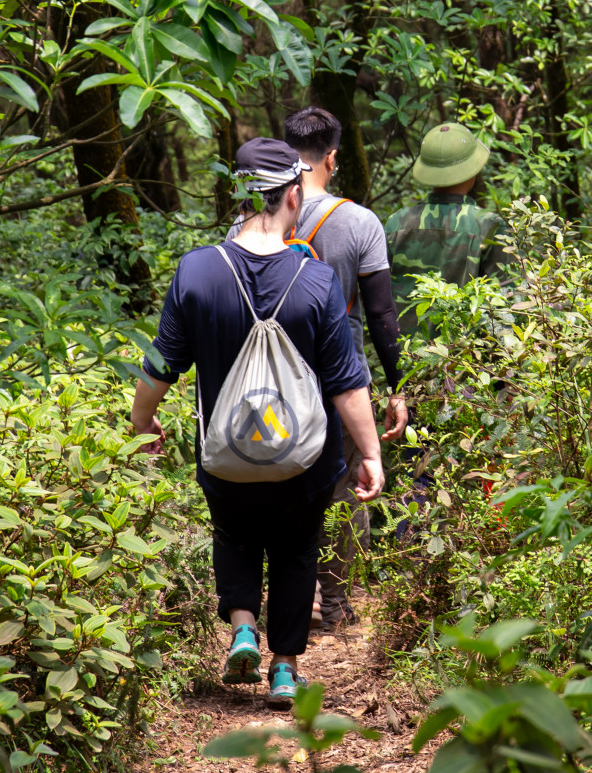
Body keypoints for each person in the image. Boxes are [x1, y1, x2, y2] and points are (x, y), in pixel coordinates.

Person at [129, 138, 384, 706]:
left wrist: (142, 421)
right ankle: (285, 669)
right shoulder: (316, 281)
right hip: (305, 461)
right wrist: (370, 453)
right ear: (295, 194)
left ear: (238, 195)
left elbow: (161, 363)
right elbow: (346, 382)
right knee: (297, 549)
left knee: (234, 533)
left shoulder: (197, 272)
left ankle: (243, 626)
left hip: (226, 454)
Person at [280, 106, 406, 630]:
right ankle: (332, 605)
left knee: (282, 482)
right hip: (342, 378)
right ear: (332, 157)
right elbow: (379, 312)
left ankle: (286, 594)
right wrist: (399, 385)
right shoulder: (359, 222)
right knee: (345, 485)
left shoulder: (259, 217)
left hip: (276, 376)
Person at [384, 121, 509, 327]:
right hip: (464, 356)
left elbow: (379, 299)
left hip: (402, 353)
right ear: (473, 170)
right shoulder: (491, 227)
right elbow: (505, 306)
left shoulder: (396, 223)